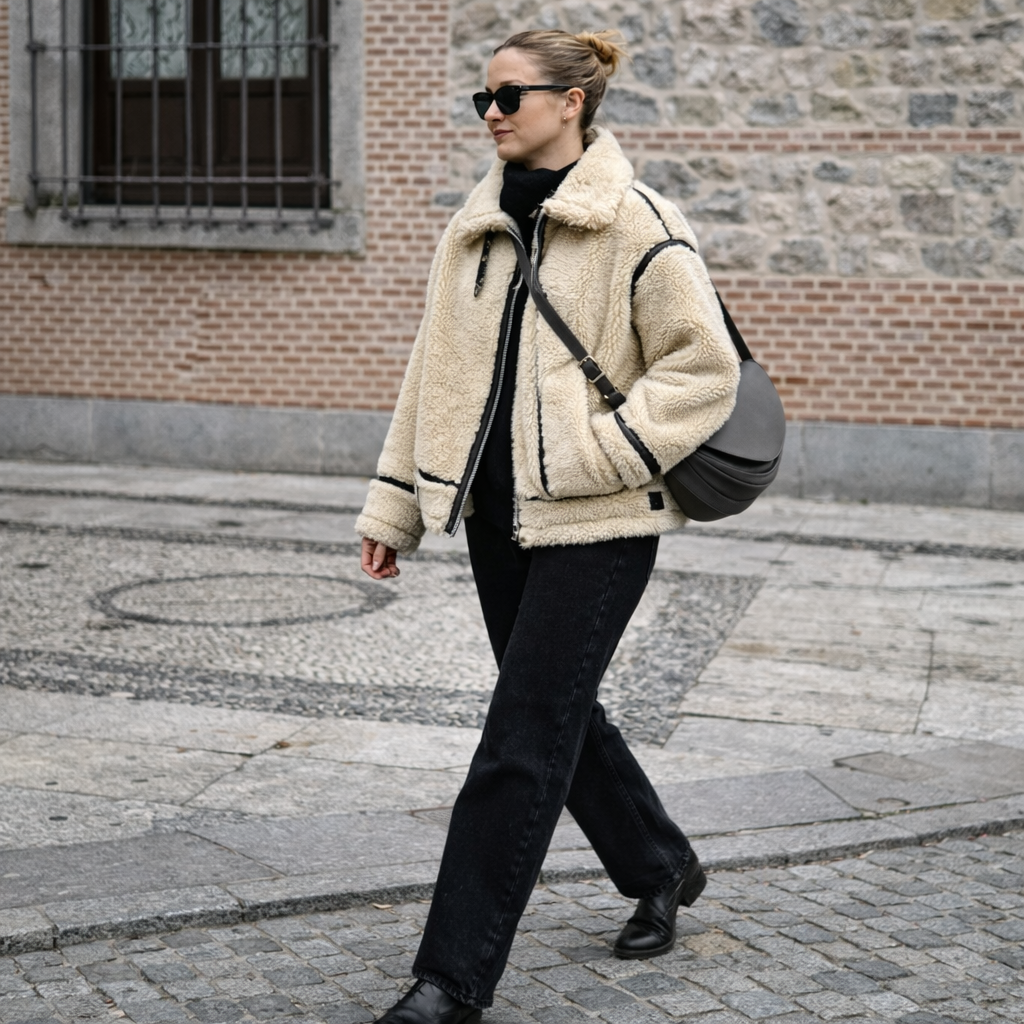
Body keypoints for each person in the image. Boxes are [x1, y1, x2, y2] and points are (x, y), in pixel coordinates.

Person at [355, 28, 741, 1024]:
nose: (491, 113)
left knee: (522, 736)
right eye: (482, 97)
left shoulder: (636, 220)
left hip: (600, 521)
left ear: (571, 101)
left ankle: (451, 980)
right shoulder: (474, 226)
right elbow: (430, 371)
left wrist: (600, 455)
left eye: (510, 95)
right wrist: (395, 503)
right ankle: (659, 862)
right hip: (497, 518)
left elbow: (702, 368)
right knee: (560, 709)